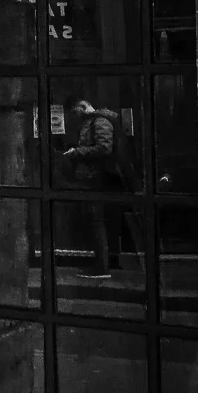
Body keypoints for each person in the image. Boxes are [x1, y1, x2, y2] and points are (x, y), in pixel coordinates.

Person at [64, 98, 125, 271]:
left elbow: (104, 148)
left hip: (99, 177)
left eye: (75, 111)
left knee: (96, 219)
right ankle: (104, 263)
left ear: (83, 106)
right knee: (96, 219)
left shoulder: (100, 121)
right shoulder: (93, 122)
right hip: (95, 177)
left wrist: (77, 152)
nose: (74, 116)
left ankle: (102, 266)